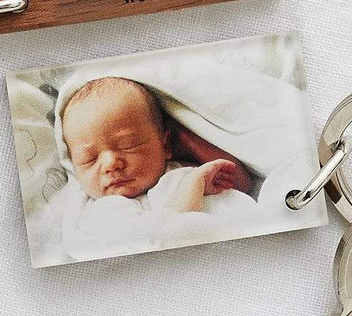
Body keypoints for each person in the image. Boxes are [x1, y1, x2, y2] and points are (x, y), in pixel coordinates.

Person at [61, 77, 254, 215]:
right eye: (89, 159)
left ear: (166, 144)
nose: (111, 164)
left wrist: (189, 143)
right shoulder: (84, 209)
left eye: (128, 145)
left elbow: (242, 183)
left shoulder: (181, 173)